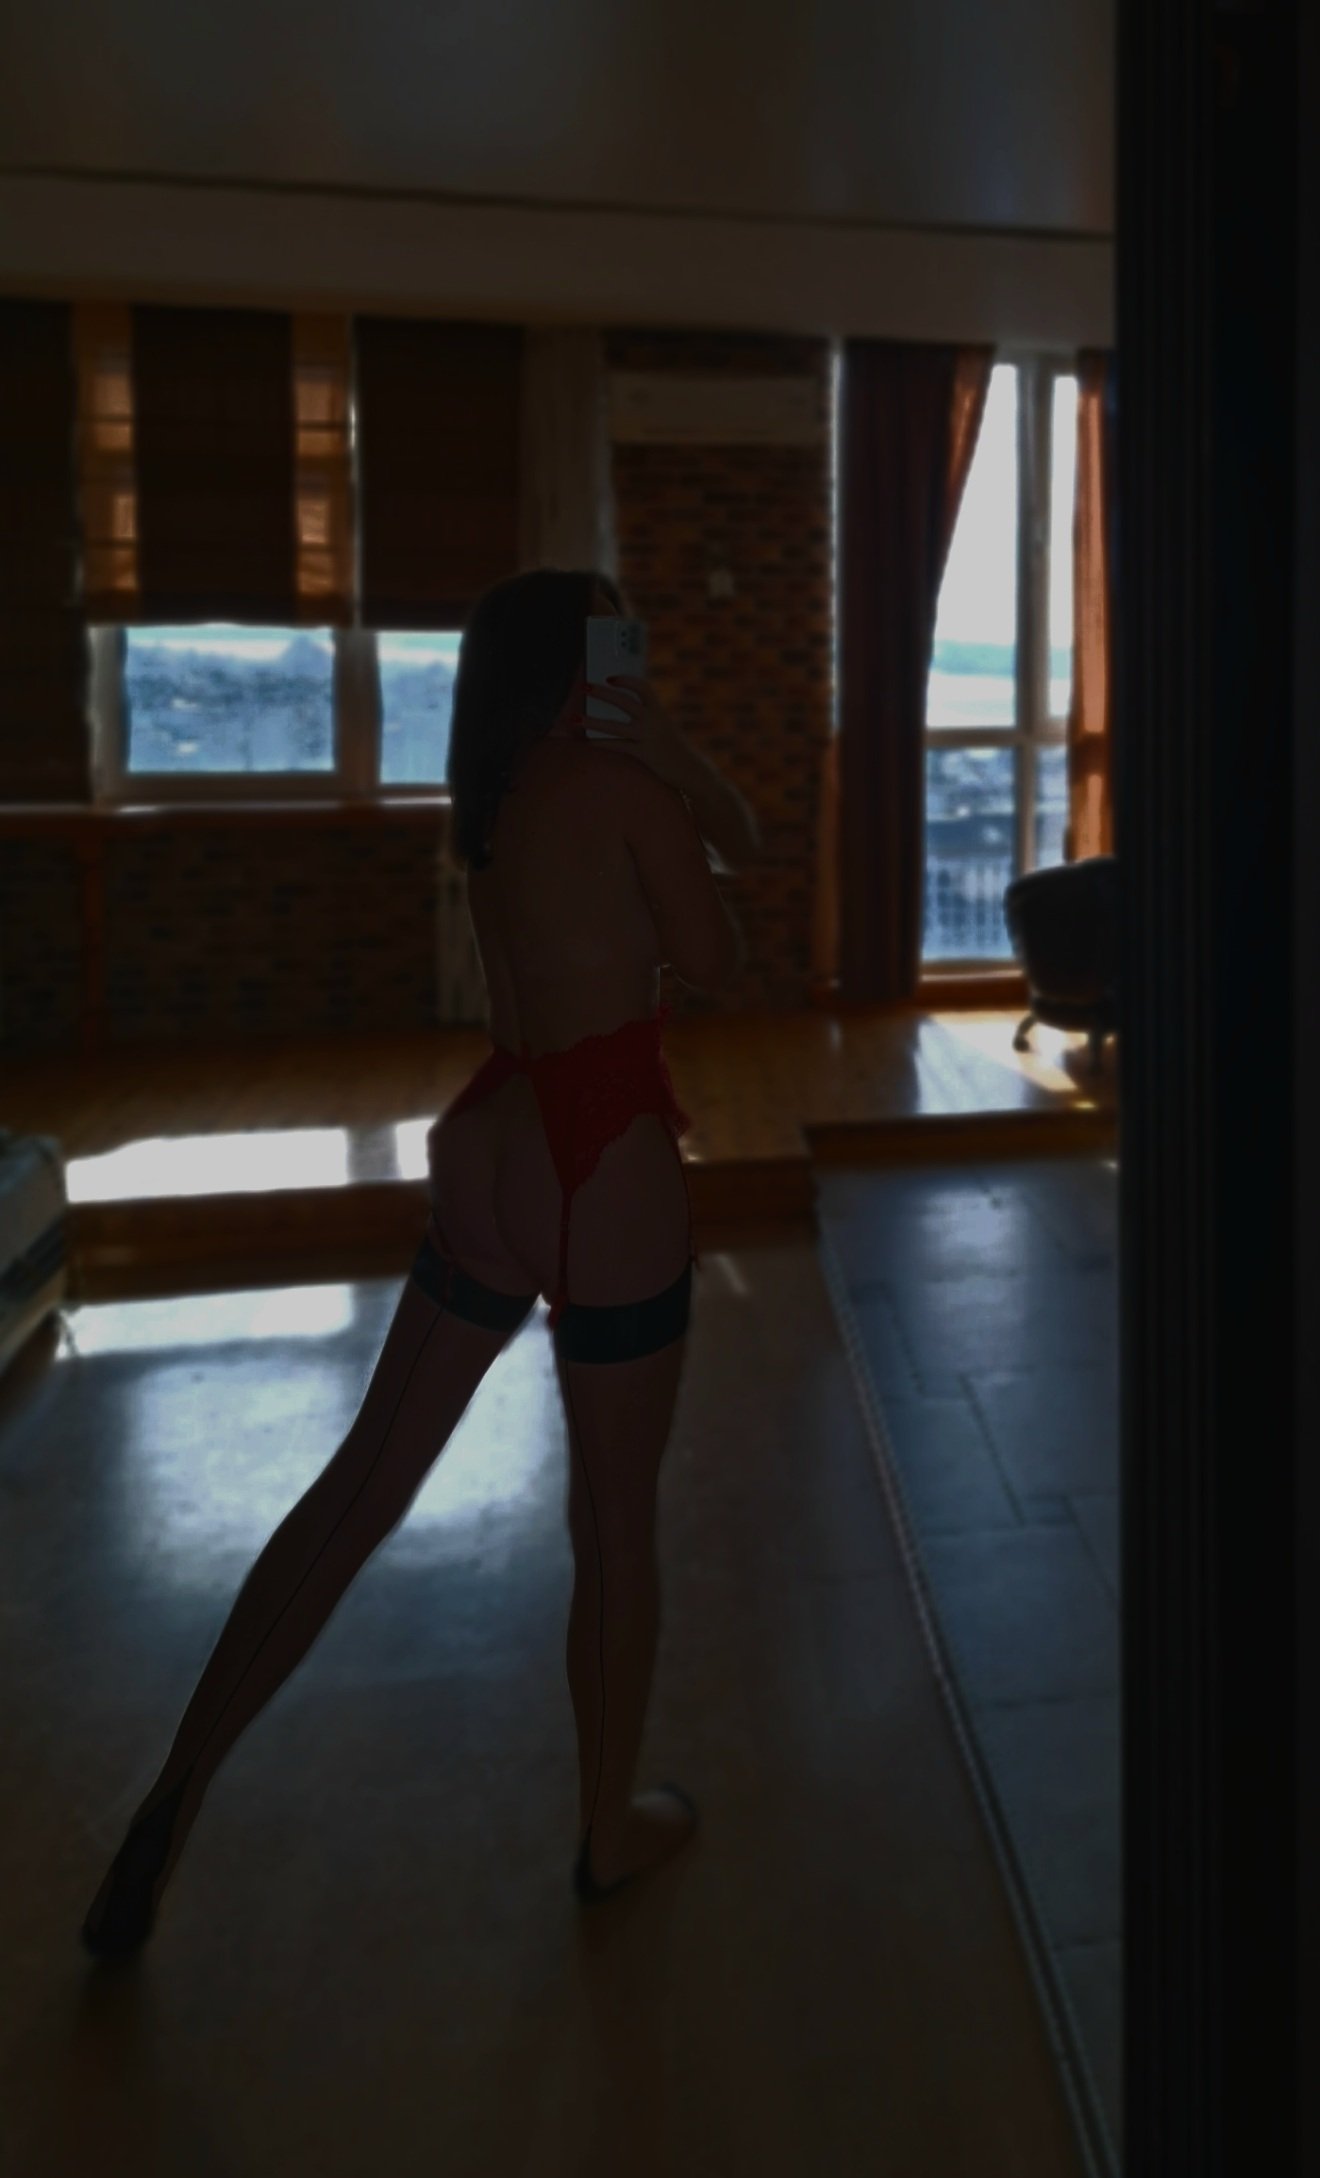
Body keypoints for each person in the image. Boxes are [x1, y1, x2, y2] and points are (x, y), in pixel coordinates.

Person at [81, 566, 759, 1954]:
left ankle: (176, 1788)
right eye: (613, 635)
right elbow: (721, 958)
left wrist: (675, 763)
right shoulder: (621, 787)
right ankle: (608, 1831)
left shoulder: (494, 796)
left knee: (362, 1485)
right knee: (613, 1528)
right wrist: (675, 766)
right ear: (582, 663)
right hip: (604, 1158)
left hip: (494, 1139)